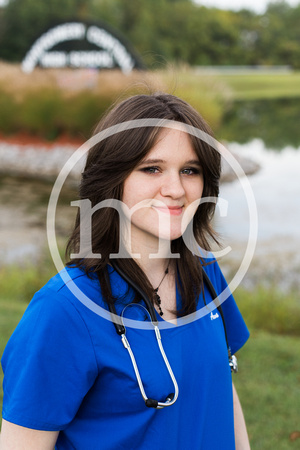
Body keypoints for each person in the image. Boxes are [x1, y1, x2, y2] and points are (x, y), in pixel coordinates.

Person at [0, 93, 250, 449]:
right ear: (111, 180)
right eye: (152, 168)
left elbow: (222, 387)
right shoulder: (64, 311)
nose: (176, 189)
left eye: (190, 170)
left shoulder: (207, 275)